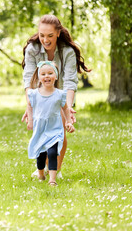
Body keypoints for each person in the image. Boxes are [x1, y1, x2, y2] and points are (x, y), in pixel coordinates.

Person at [21, 14, 90, 178]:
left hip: (61, 93)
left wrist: (68, 107)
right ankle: (43, 167)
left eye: (50, 35)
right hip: (40, 92)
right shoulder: (33, 49)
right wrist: (29, 105)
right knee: (41, 128)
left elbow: (70, 81)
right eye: (42, 35)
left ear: (58, 33)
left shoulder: (67, 52)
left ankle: (55, 170)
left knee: (59, 131)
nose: (45, 39)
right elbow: (28, 79)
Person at [27, 61, 75, 186]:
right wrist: (30, 120)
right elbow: (29, 106)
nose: (46, 76)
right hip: (40, 130)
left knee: (53, 152)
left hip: (54, 129)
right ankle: (41, 173)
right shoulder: (34, 94)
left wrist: (69, 122)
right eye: (43, 74)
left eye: (50, 73)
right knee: (41, 156)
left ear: (56, 76)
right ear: (39, 77)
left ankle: (52, 180)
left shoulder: (59, 94)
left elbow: (65, 108)